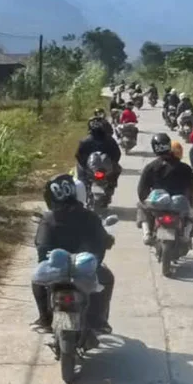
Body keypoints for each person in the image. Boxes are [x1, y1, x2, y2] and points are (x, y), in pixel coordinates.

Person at [32, 176, 115, 334]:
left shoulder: (48, 218)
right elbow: (101, 242)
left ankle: (44, 319)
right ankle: (98, 321)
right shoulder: (90, 216)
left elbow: (41, 246)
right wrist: (96, 261)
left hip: (56, 269)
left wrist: (46, 263)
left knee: (37, 280)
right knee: (107, 278)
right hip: (84, 268)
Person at [136, 134, 193, 245]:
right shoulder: (184, 168)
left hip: (157, 203)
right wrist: (190, 202)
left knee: (141, 206)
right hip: (179, 204)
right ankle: (186, 234)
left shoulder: (151, 167)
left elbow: (142, 189)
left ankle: (147, 233)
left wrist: (145, 201)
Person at [76, 117, 122, 193]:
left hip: (92, 169)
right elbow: (117, 154)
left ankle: (84, 187)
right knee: (117, 170)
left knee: (81, 173)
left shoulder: (85, 141)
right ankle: (111, 186)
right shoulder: (110, 140)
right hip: (104, 169)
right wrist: (113, 163)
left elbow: (78, 155)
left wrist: (84, 165)